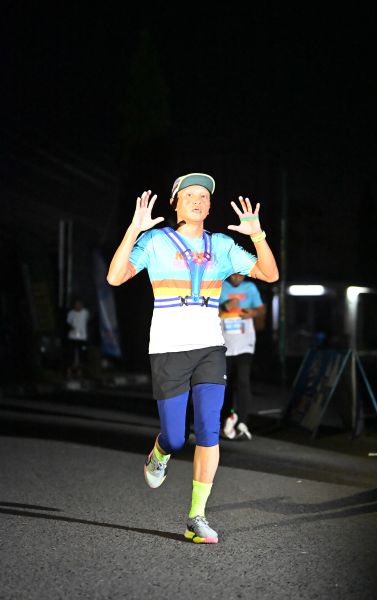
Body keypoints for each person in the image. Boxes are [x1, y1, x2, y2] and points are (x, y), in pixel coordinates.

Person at [106, 172, 279, 544]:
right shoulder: (156, 241)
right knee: (175, 437)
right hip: (168, 348)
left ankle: (196, 517)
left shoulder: (222, 245)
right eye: (190, 195)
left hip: (210, 349)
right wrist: (133, 230)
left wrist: (257, 235)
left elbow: (269, 273)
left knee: (209, 430)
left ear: (210, 206)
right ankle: (161, 451)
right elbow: (115, 278)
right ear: (176, 204)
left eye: (204, 196)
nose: (198, 201)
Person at [219, 273, 266, 440]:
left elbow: (261, 310)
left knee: (243, 381)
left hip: (245, 343)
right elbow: (208, 311)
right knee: (225, 384)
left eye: (240, 276)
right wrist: (225, 306)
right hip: (225, 343)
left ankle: (243, 422)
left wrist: (253, 312)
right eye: (234, 276)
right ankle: (225, 420)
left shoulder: (250, 288)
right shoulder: (220, 286)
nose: (237, 279)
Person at [66, 297, 90, 378]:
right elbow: (68, 323)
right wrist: (72, 327)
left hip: (82, 337)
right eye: (76, 305)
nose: (77, 306)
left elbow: (88, 320)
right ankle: (69, 370)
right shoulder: (71, 313)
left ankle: (80, 371)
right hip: (72, 337)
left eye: (79, 305)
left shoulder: (85, 312)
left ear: (82, 305)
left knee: (82, 354)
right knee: (71, 354)